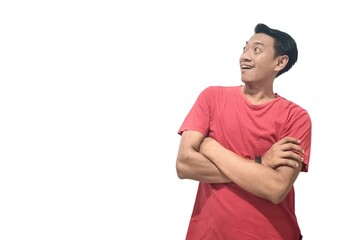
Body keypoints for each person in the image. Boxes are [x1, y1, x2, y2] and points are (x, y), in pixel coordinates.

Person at [176, 23, 311, 240]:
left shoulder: (295, 117)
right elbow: (184, 164)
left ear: (280, 62)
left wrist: (211, 147)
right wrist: (261, 164)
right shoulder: (211, 98)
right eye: (245, 48)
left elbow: (276, 188)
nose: (245, 56)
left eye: (256, 50)